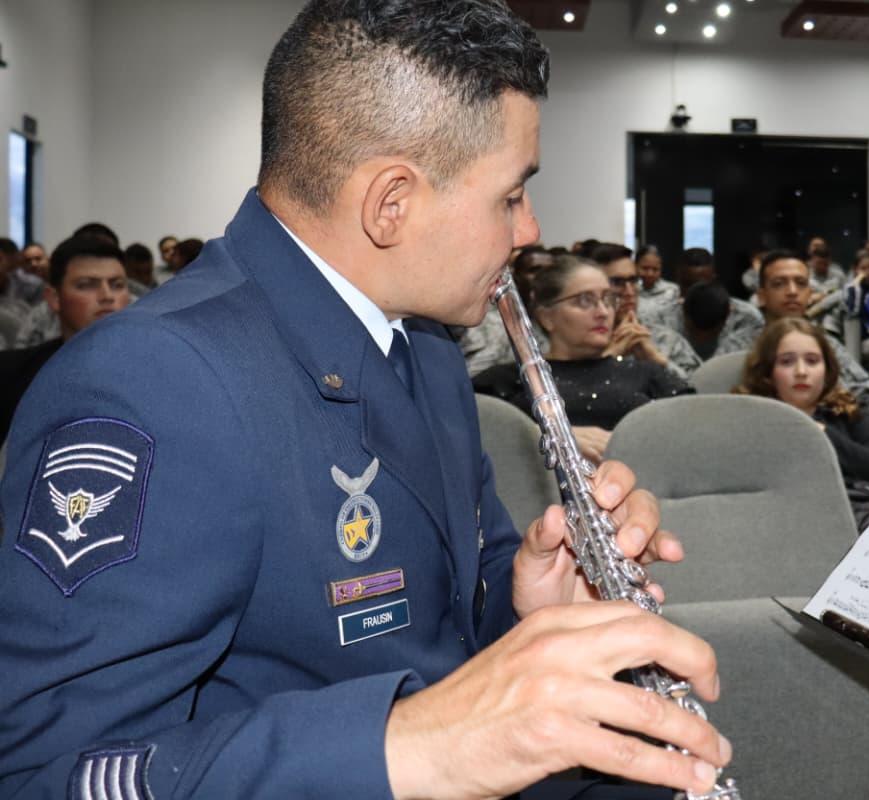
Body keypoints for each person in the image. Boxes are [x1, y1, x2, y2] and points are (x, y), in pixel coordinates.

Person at [0, 3, 730, 799]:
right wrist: (411, 746)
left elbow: (439, 619)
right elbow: (43, 772)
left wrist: (528, 608)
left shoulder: (422, 343)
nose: (530, 228)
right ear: (392, 202)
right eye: (511, 196)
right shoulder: (153, 381)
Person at [473, 256, 693, 464]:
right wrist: (546, 436)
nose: (603, 311)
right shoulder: (511, 379)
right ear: (547, 317)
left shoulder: (645, 371)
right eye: (585, 301)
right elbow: (474, 438)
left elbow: (698, 430)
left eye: (608, 299)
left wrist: (658, 359)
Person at [734, 317, 869, 529]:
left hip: (855, 517)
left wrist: (822, 435)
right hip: (779, 523)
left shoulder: (851, 412)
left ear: (827, 371)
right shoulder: (749, 419)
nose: (801, 372)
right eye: (787, 361)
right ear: (768, 374)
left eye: (812, 361)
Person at [720, 250, 869, 429]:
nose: (792, 292)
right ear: (761, 296)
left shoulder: (828, 345)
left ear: (809, 293)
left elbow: (868, 398)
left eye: (801, 284)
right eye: (779, 284)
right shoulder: (736, 346)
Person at [0, 235, 131, 441]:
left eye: (117, 284)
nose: (107, 295)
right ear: (54, 298)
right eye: (87, 285)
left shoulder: (157, 372)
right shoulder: (12, 375)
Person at [588, 242, 701, 379]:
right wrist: (608, 359)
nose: (629, 292)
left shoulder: (665, 339)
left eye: (633, 280)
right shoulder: (581, 344)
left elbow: (702, 392)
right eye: (617, 282)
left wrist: (659, 361)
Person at [458, 244, 552, 376]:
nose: (543, 276)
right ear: (516, 277)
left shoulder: (564, 323)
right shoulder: (487, 322)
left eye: (550, 271)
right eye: (534, 270)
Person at [635, 243, 679, 319]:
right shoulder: (630, 291)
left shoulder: (672, 290)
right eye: (645, 268)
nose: (650, 274)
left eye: (655, 269)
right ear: (635, 266)